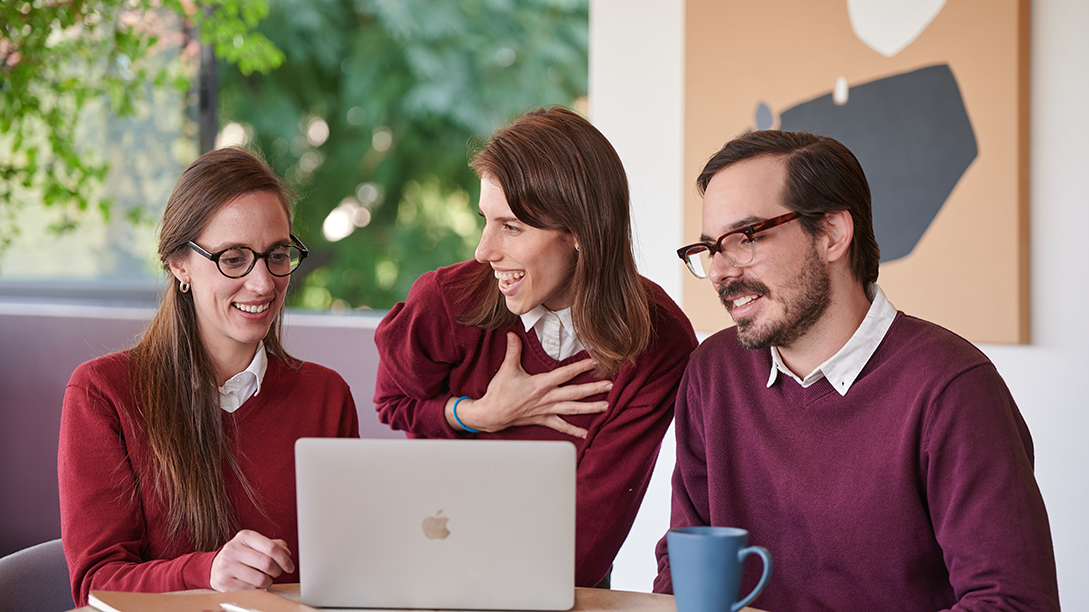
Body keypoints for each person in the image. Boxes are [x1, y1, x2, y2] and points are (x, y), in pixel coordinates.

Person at [653, 130, 1060, 610]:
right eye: (710, 249)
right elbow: (684, 565)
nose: (721, 271)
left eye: (746, 238)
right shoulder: (714, 372)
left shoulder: (953, 388)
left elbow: (1012, 602)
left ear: (831, 234)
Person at [374, 106, 698, 588]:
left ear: (580, 233)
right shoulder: (445, 301)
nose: (484, 251)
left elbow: (592, 529)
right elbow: (393, 403)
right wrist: (476, 414)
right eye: (486, 220)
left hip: (560, 579)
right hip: (438, 558)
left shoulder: (658, 340)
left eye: (511, 227)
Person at [59, 147, 360, 606]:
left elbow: (351, 569)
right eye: (234, 258)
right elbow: (95, 583)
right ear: (179, 264)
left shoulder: (326, 396)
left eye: (277, 254)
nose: (263, 283)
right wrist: (207, 571)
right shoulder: (103, 393)